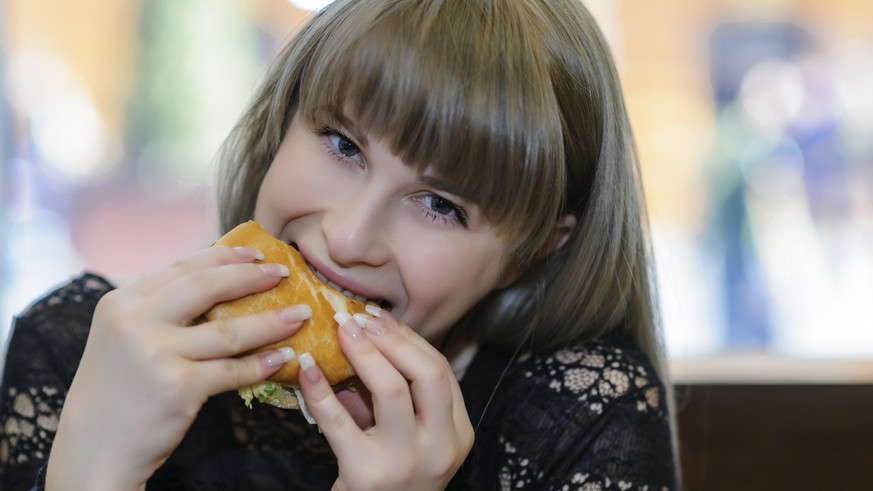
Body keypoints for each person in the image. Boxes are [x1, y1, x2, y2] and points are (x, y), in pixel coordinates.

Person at [0, 0, 678, 489]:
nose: (349, 236)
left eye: (441, 204)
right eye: (342, 144)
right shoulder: (77, 349)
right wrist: (90, 474)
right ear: (279, 122)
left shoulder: (582, 412)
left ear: (533, 251)